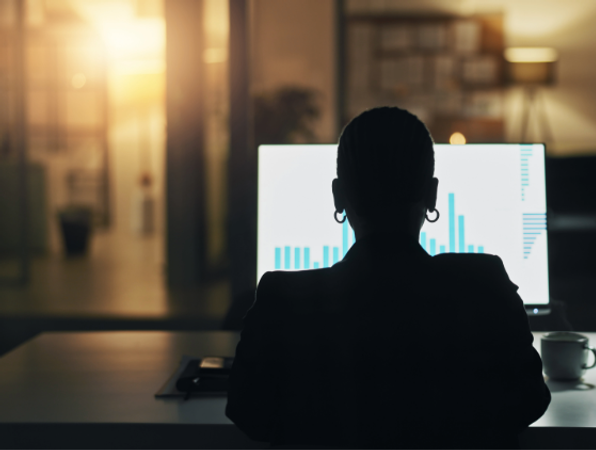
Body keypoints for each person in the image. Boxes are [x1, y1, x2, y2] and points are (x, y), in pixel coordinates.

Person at [226, 107, 551, 448]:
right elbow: (529, 400)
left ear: (338, 196)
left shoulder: (281, 300)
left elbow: (248, 413)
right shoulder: (485, 286)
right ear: (432, 195)